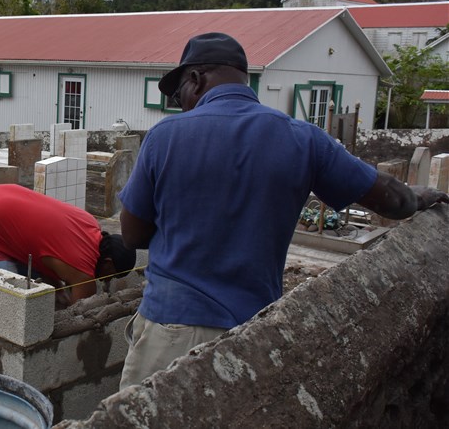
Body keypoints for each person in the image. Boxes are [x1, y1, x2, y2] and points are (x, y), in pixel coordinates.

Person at [117, 32, 449, 389]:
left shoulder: (166, 135)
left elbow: (133, 236)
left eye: (177, 91)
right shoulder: (303, 138)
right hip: (254, 334)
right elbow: (394, 201)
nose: (179, 102)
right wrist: (423, 195)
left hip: (172, 330)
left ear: (196, 79)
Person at [0, 184, 137, 307]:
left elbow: (50, 254)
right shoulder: (83, 274)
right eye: (110, 276)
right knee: (7, 301)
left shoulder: (90, 223)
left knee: (38, 289)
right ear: (108, 262)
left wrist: (58, 291)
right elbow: (79, 314)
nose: (105, 281)